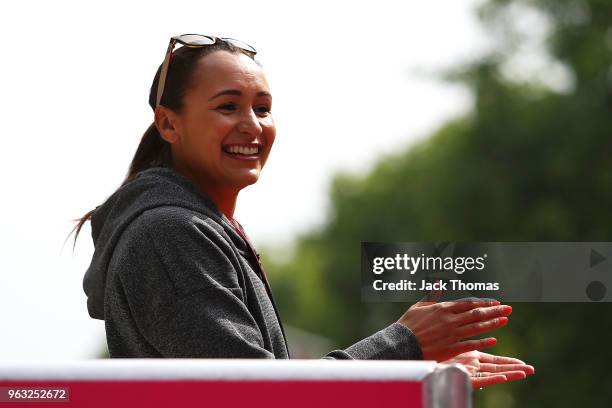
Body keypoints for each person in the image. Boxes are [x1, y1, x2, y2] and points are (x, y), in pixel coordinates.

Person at [74, 34, 534, 388]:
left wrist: (410, 376)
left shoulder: (196, 227)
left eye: (263, 108)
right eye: (227, 106)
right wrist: (404, 343)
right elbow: (260, 394)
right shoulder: (169, 234)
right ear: (169, 123)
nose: (252, 126)